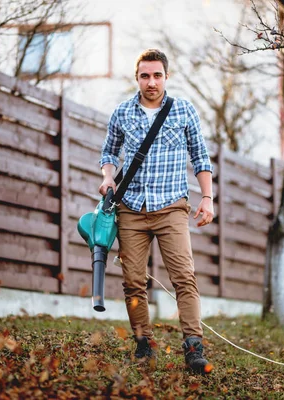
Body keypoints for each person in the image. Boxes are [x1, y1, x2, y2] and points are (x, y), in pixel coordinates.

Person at [98, 48, 214, 374]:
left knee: (184, 278)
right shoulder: (122, 113)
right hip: (131, 208)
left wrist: (207, 198)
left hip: (172, 207)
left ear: (166, 76)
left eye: (157, 75)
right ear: (137, 78)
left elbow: (200, 157)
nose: (151, 82)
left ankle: (193, 348)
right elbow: (108, 152)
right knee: (133, 282)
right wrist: (108, 177)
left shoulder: (184, 111)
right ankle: (143, 343)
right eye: (145, 75)